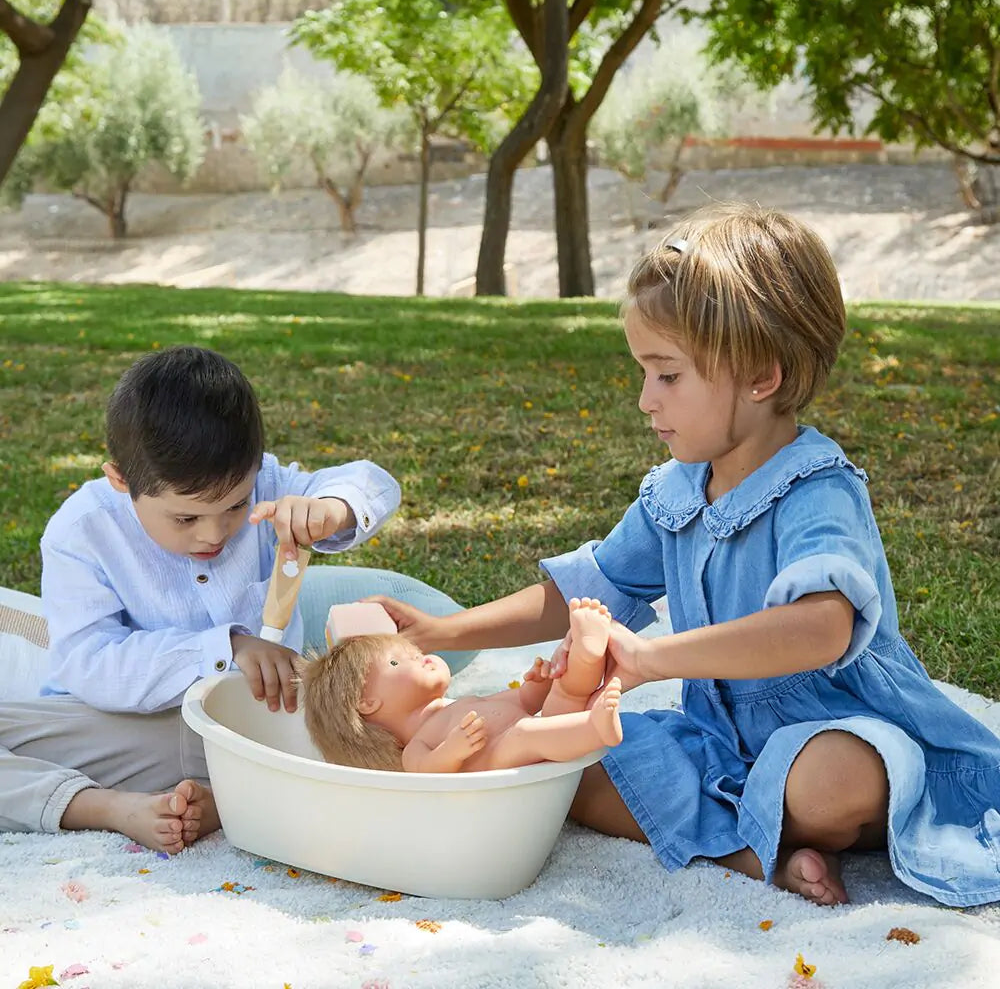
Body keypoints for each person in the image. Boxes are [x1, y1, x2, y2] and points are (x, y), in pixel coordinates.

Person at [368, 203, 1000, 908]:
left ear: (761, 376)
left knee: (833, 781)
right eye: (644, 373)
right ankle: (753, 854)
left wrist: (654, 659)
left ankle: (786, 829)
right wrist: (442, 631)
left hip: (842, 729)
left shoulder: (816, 490)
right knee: (572, 763)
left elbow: (822, 628)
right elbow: (591, 586)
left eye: (667, 375)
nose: (645, 399)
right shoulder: (676, 491)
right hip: (719, 746)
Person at [0, 346, 400, 854]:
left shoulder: (269, 483)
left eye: (236, 506)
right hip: (128, 733)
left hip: (261, 723)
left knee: (398, 719)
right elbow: (91, 666)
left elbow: (374, 483)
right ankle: (111, 808)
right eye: (185, 518)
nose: (214, 534)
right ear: (121, 480)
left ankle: (228, 794)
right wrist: (228, 647)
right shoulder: (80, 532)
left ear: (255, 467)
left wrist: (332, 508)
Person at [298, 597, 621, 772]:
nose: (419, 657)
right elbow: (427, 771)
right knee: (525, 734)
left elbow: (521, 703)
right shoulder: (416, 748)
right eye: (397, 662)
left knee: (564, 688)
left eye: (413, 652)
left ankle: (586, 653)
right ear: (366, 702)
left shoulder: (456, 706)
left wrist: (535, 686)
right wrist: (452, 751)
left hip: (542, 734)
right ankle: (594, 728)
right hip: (507, 756)